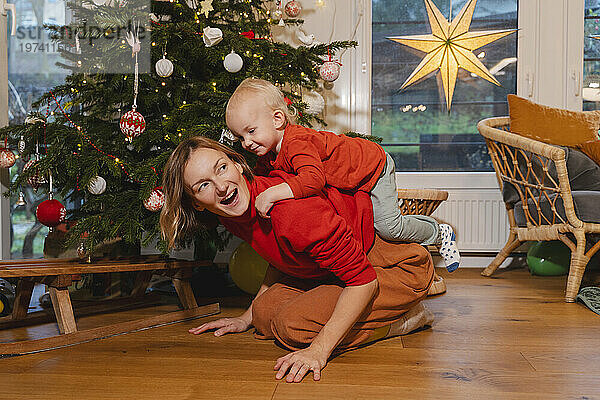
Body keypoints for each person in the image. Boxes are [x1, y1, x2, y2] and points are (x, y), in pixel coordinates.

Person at [160, 137, 435, 383]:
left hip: (393, 267)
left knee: (294, 327)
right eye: (203, 185)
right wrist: (247, 317)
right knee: (264, 315)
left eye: (221, 168)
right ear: (196, 202)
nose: (221, 187)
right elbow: (279, 255)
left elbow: (363, 281)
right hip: (332, 270)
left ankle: (405, 319)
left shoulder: (289, 211)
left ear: (237, 165)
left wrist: (319, 350)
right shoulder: (233, 211)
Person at [225, 78, 460, 272]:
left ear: (278, 119)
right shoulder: (267, 155)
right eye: (240, 137)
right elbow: (258, 182)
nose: (246, 143)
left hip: (372, 165)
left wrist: (271, 194)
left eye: (251, 131)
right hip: (351, 176)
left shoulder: (296, 142)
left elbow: (312, 180)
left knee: (390, 227)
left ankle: (439, 232)